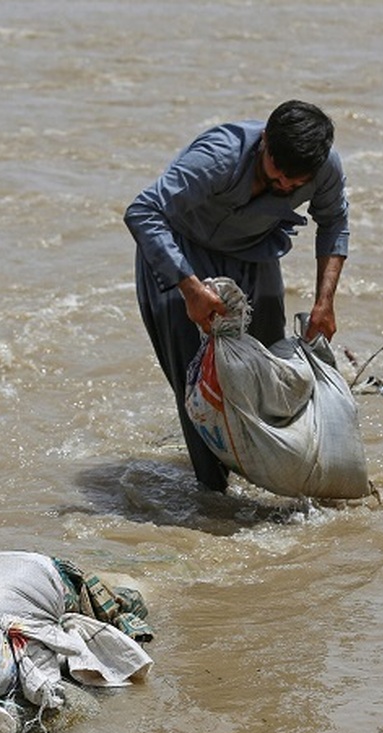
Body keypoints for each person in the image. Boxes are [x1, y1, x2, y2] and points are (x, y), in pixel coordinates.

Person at [125, 100, 350, 491]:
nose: (283, 187)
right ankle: (214, 496)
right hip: (181, 251)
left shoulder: (325, 166)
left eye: (295, 186)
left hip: (252, 247)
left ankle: (279, 474)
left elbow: (334, 221)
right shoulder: (217, 158)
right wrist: (191, 289)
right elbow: (143, 211)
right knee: (198, 376)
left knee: (269, 367)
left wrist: (324, 302)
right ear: (264, 142)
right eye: (276, 176)